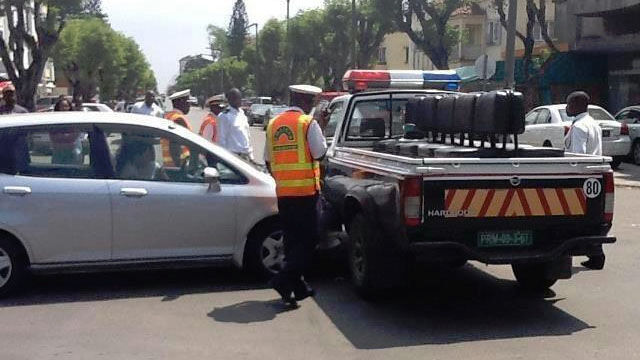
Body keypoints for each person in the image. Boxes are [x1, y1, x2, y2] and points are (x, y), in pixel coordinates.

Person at [265, 84, 327, 307]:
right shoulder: (307, 123)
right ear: (303, 100)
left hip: (284, 194)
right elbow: (320, 153)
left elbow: (268, 160)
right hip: (306, 193)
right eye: (311, 101)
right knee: (310, 240)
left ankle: (296, 290)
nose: (312, 105)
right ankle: (283, 280)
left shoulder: (273, 124)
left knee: (292, 242)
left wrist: (284, 180)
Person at [564, 91, 606, 270]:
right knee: (593, 217)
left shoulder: (580, 127)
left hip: (581, 178)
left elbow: (578, 155)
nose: (567, 107)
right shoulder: (593, 123)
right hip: (595, 175)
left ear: (577, 104)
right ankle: (596, 256)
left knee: (576, 218)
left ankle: (594, 255)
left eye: (569, 104)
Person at [217, 88, 253, 160]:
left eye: (240, 98)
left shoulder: (242, 114)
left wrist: (251, 155)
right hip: (233, 156)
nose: (239, 100)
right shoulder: (224, 116)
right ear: (230, 100)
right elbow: (222, 139)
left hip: (246, 156)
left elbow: (247, 136)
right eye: (236, 98)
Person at [163, 89, 193, 167]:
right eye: (188, 102)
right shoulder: (179, 119)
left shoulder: (169, 116)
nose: (189, 106)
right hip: (177, 166)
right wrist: (179, 168)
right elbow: (174, 147)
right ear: (180, 102)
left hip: (169, 165)